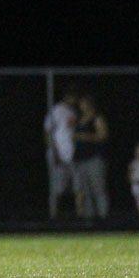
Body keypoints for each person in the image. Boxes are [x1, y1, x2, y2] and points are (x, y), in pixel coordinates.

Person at [72, 95, 109, 220]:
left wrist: (84, 136)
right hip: (80, 160)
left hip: (94, 159)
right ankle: (89, 221)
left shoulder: (97, 118)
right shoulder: (79, 119)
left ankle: (103, 218)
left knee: (98, 190)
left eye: (83, 102)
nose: (81, 105)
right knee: (85, 192)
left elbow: (103, 135)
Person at [44, 90, 78, 219]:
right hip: (58, 154)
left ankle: (75, 217)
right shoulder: (56, 110)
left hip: (72, 155)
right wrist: (54, 152)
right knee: (57, 188)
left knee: (75, 188)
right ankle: (54, 215)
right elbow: (47, 132)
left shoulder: (74, 112)